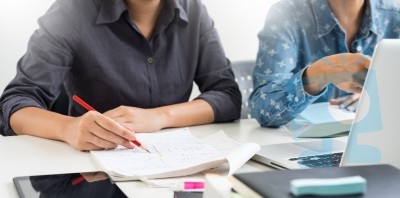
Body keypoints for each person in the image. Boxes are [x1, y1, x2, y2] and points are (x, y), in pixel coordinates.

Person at [0, 0, 241, 150]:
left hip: (174, 167)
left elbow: (228, 96)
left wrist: (159, 117)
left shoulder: (194, 10)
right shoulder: (71, 11)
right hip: (93, 175)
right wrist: (69, 127)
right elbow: (15, 103)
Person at [250, 0, 400, 127]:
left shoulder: (395, 15)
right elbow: (263, 109)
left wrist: (377, 99)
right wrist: (322, 72)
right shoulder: (286, 15)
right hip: (301, 144)